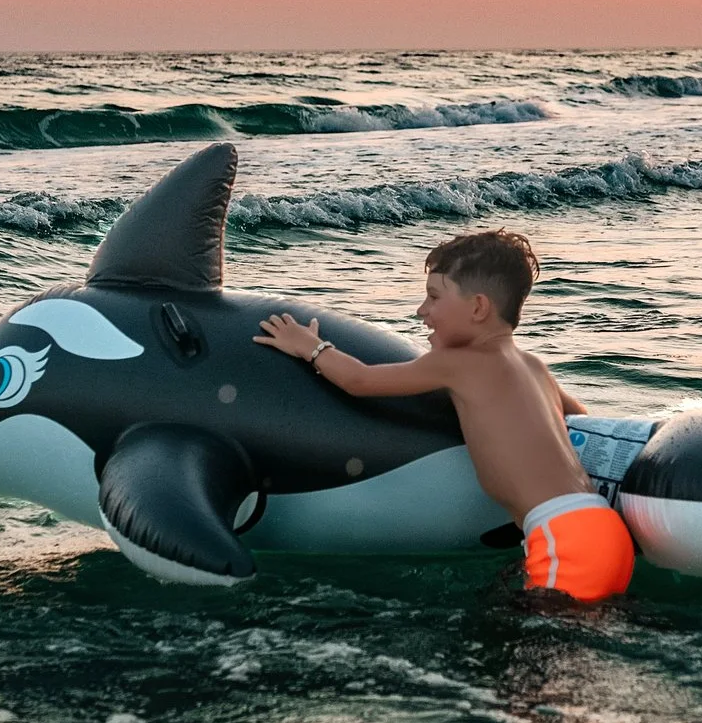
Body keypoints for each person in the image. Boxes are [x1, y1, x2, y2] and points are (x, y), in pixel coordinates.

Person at [253, 229, 633, 601]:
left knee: (533, 656)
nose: (422, 311)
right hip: (602, 528)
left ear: (478, 308)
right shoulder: (534, 367)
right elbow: (580, 418)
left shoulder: (458, 363)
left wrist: (311, 346)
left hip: (562, 537)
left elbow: (359, 380)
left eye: (433, 297)